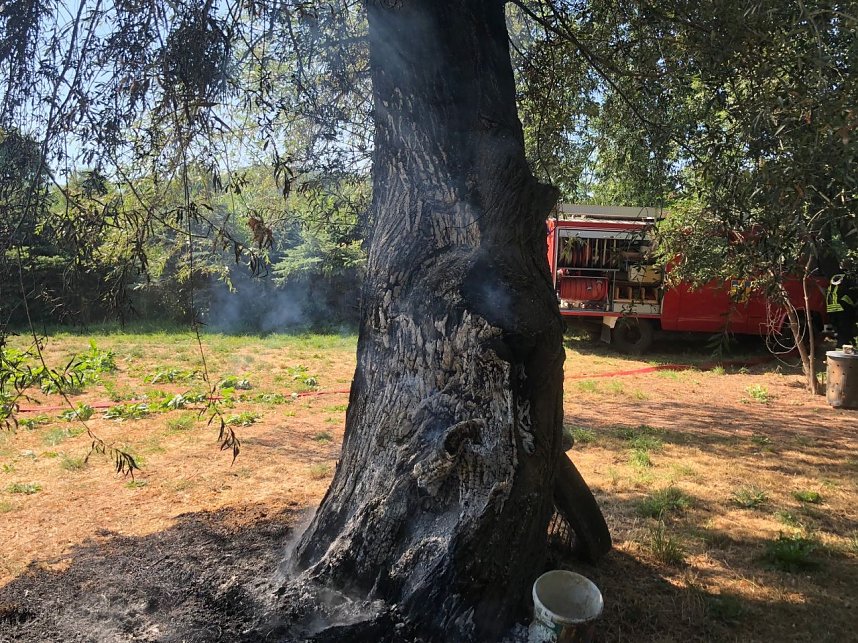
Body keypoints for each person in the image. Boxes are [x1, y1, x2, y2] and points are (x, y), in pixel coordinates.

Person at [827, 272, 858, 346]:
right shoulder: (846, 285)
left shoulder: (832, 286)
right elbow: (851, 299)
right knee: (844, 331)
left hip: (832, 311)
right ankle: (843, 347)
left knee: (841, 331)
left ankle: (849, 343)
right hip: (843, 311)